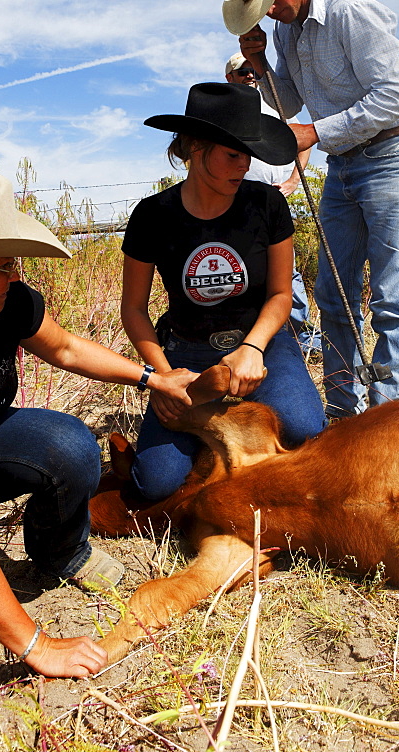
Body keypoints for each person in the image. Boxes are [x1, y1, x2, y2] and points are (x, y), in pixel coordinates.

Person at [0, 170, 195, 678]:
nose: (18, 275)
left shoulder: (5, 305)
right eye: (4, 265)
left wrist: (150, 378)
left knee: (69, 446)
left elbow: (66, 348)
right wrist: (36, 645)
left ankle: (62, 550)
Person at [221, 0, 399, 419]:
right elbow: (290, 103)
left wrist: (318, 133)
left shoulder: (351, 12)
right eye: (260, 7)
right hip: (344, 167)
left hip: (390, 159)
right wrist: (263, 63)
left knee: (392, 302)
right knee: (333, 298)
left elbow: (395, 97)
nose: (270, 10)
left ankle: (385, 424)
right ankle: (343, 414)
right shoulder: (285, 31)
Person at [120, 82, 327, 500]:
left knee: (306, 433)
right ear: (197, 148)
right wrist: (163, 376)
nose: (244, 166)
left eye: (247, 155)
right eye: (233, 154)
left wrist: (253, 347)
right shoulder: (152, 216)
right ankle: (208, 434)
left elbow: (281, 296)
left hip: (261, 345)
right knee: (154, 486)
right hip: (185, 352)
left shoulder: (266, 204)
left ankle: (215, 432)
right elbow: (134, 311)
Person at [225, 52, 322, 355]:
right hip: (234, 200)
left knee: (286, 269)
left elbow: (302, 139)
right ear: (230, 77)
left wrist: (294, 179)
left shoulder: (276, 106)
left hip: (273, 200)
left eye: (253, 70)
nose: (250, 75)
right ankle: (246, 337)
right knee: (239, 267)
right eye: (242, 72)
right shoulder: (224, 110)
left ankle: (303, 340)